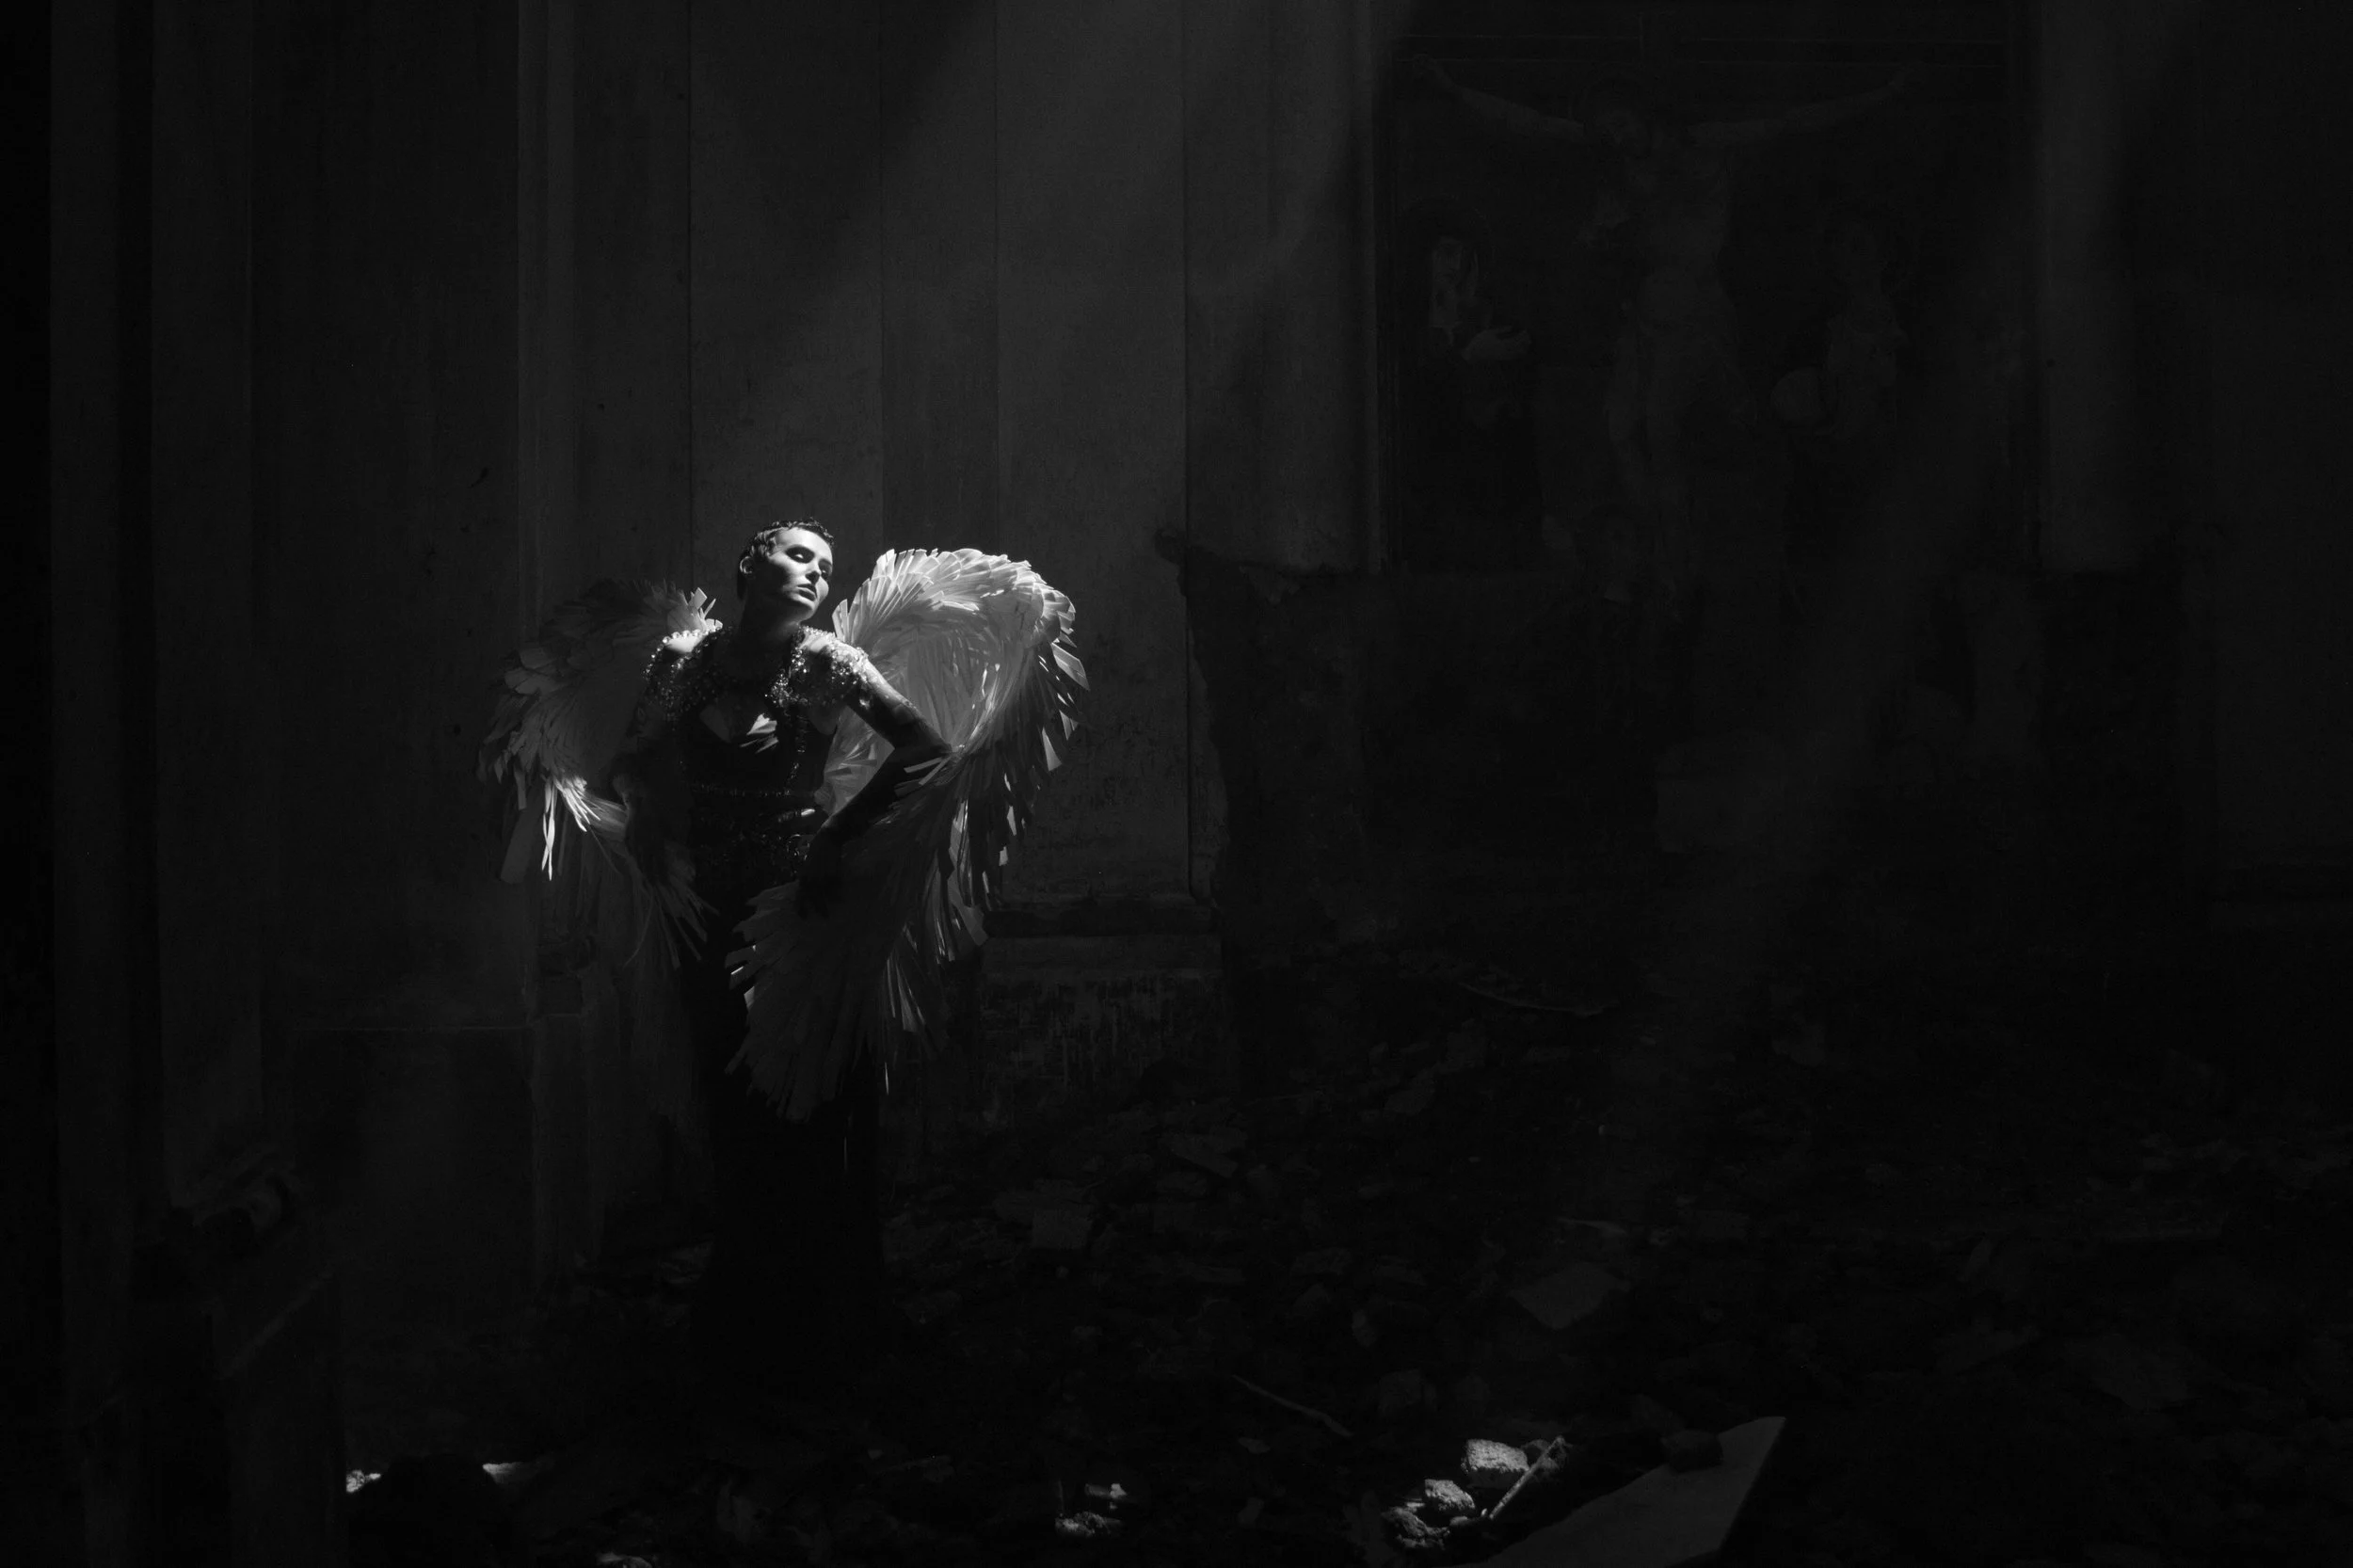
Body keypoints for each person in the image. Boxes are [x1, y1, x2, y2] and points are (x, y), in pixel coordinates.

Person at [607, 520, 949, 1400]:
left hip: (798, 909)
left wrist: (840, 832)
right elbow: (630, 759)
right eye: (798, 556)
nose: (814, 575)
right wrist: (644, 812)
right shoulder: (682, 659)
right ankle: (744, 1325)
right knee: (731, 1103)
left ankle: (826, 1326)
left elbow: (927, 749)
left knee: (805, 1106)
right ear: (750, 563)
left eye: (826, 569)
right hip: (706, 907)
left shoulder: (829, 662)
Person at [1411, 57, 1918, 604]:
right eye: (1606, 130)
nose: (1617, 136)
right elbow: (1533, 124)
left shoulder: (1699, 145)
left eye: (1621, 122)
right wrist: (1456, 90)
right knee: (1618, 427)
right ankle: (1655, 555)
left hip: (1693, 316)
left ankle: (1677, 563)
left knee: (1659, 429)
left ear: (1642, 111)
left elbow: (1788, 123)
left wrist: (1879, 96)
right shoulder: (1617, 170)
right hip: (1646, 317)